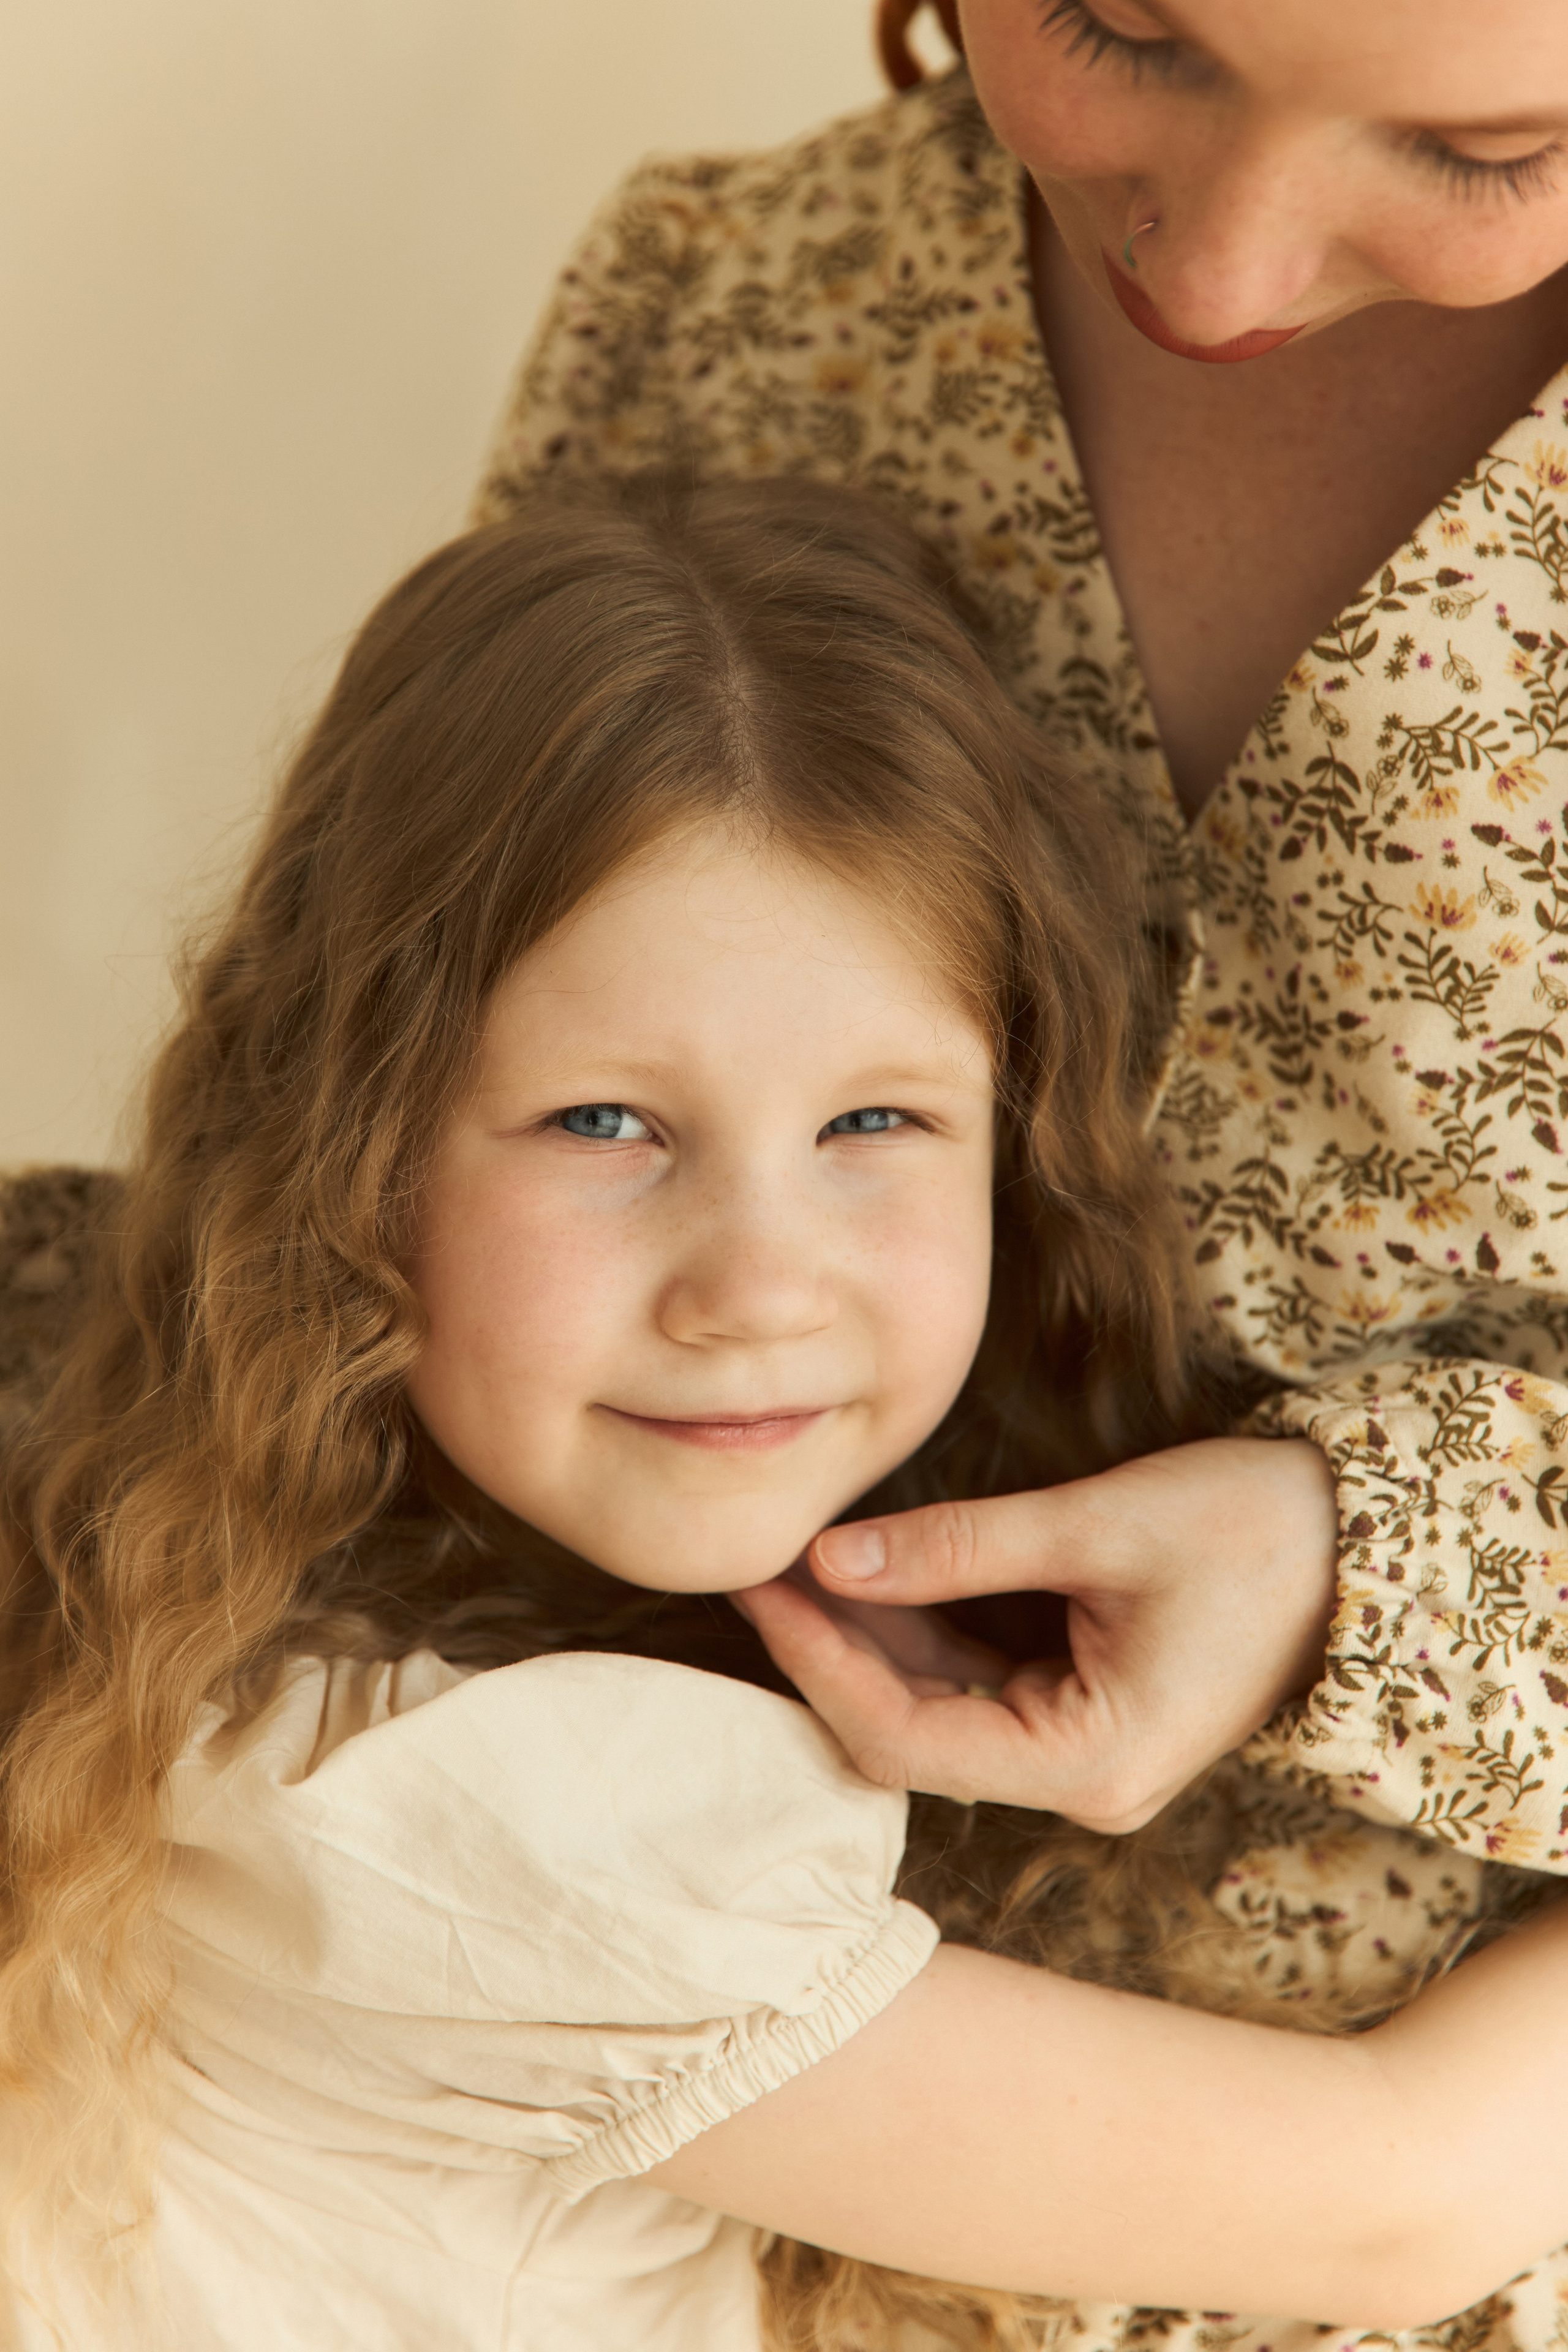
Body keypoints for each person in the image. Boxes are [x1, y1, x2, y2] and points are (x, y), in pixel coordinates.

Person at [1, 469, 1561, 2352]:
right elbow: (1390, 2205)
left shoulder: (226, 1598)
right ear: (351, 1156)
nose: (755, 1283)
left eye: (872, 1125)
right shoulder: (448, 1813)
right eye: (605, 1125)